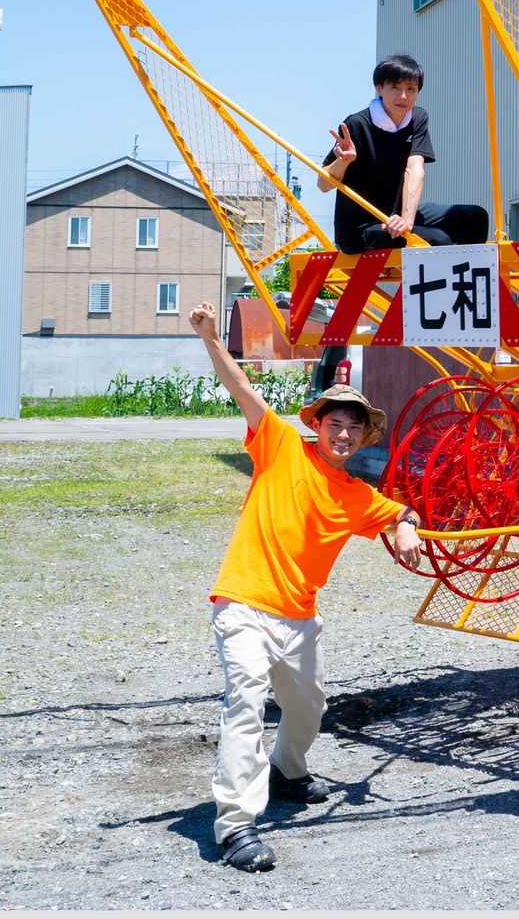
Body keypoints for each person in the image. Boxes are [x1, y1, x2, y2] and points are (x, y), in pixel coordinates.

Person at [190, 302, 421, 873]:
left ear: (365, 436)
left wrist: (407, 525)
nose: (343, 434)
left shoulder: (357, 495)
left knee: (309, 706)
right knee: (244, 704)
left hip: (298, 616)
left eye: (353, 427)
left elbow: (397, 513)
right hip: (243, 601)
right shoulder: (278, 445)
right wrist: (211, 338)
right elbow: (240, 386)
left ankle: (288, 770)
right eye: (333, 423)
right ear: (315, 424)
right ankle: (236, 825)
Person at [316, 53, 491, 392]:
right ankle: (438, 313)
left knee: (473, 218)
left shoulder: (417, 119)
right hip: (360, 228)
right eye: (396, 88)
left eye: (411, 89)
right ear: (379, 88)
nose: (404, 97)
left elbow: (415, 168)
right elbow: (323, 183)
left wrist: (407, 218)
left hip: (398, 216)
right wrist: (344, 162)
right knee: (437, 241)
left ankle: (466, 296)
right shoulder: (356, 124)